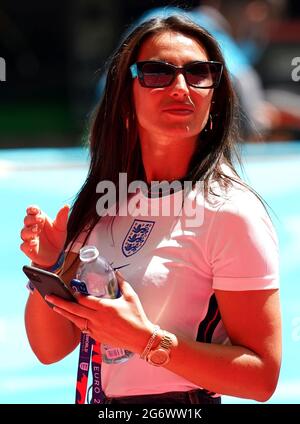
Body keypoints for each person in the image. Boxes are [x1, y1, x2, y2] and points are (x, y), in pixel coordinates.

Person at [20, 16, 281, 404]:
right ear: (124, 98)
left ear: (215, 97)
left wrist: (143, 340)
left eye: (198, 73)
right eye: (157, 73)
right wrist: (50, 266)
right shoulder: (102, 203)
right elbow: (51, 350)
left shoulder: (231, 212)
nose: (180, 86)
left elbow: (261, 378)